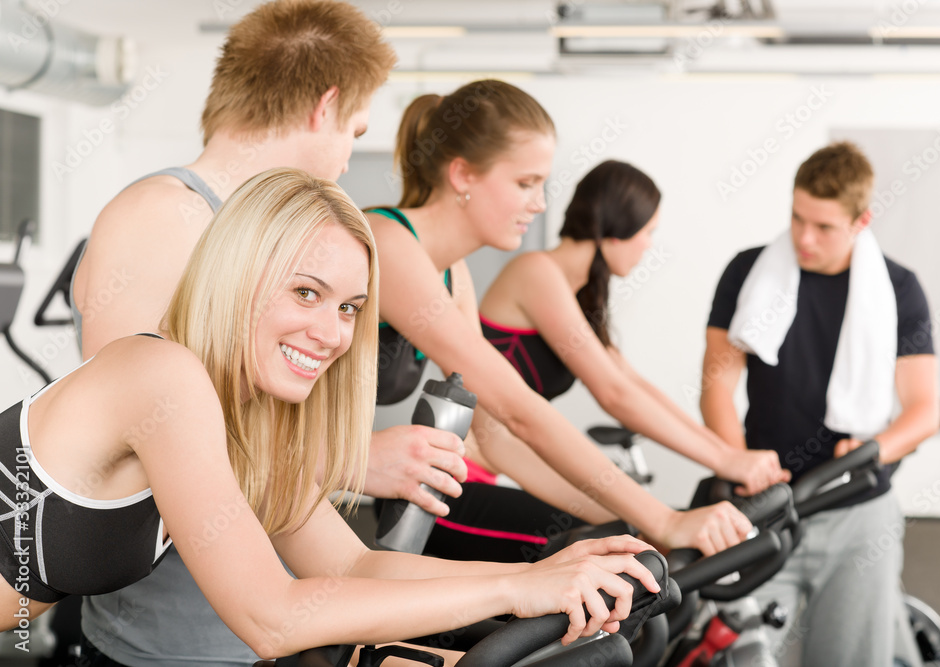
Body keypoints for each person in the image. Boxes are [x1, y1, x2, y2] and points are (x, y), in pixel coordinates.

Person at [2, 168, 661, 658]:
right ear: (238, 276)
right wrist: (517, 594)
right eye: (306, 291)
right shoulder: (160, 377)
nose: (332, 331)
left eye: (348, 306)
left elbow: (350, 566)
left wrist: (539, 577)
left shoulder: (241, 417)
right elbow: (272, 616)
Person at [70, 3, 465, 665]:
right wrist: (351, 457)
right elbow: (125, 452)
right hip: (166, 647)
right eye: (354, 132)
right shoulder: (165, 213)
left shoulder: (271, 235)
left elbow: (343, 558)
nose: (344, 163)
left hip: (253, 627)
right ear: (325, 106)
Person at [369, 80, 753, 565]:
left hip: (354, 487)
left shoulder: (455, 276)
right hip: (306, 489)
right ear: (463, 174)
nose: (541, 204)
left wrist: (628, 519)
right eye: (525, 184)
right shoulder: (387, 241)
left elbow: (499, 437)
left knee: (612, 549)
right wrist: (666, 520)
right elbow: (518, 409)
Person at [699, 141, 940, 666]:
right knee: (740, 655)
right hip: (766, 507)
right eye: (797, 218)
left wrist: (874, 447)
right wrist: (735, 460)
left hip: (857, 511)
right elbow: (716, 384)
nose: (805, 238)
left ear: (861, 219)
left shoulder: (899, 289)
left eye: (824, 227)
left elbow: (923, 409)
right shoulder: (747, 273)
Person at [477, 160, 789, 496]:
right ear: (615, 228)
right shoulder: (537, 272)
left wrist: (730, 456)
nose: (649, 245)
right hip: (469, 471)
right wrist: (725, 460)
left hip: (503, 471)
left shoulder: (577, 293)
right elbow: (614, 394)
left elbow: (631, 383)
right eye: (647, 232)